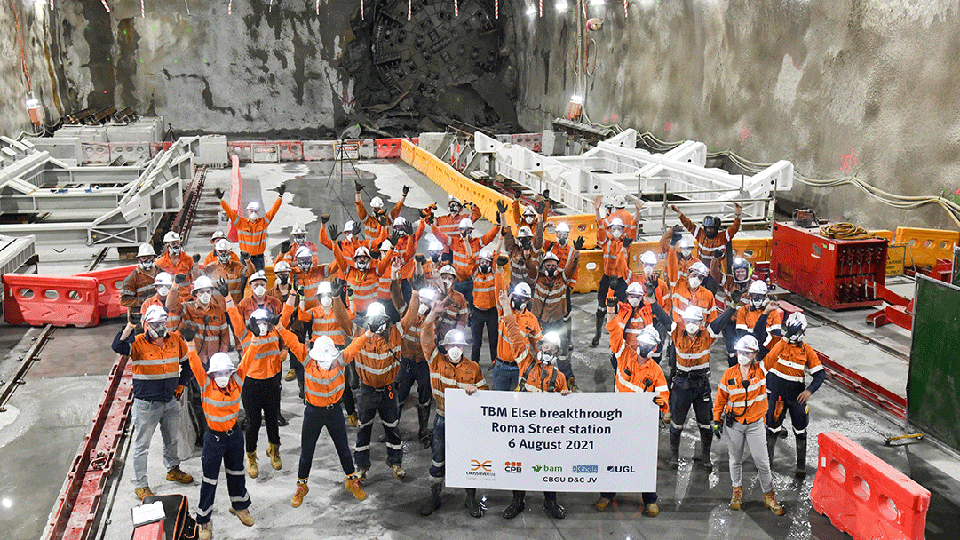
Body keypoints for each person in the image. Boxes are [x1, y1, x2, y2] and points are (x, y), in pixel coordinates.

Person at [111, 306, 194, 500]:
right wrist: (130, 326)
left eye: (162, 323)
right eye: (155, 323)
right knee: (142, 446)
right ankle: (140, 484)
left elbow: (187, 365)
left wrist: (181, 385)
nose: (160, 327)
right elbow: (117, 346)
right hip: (146, 405)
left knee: (172, 439)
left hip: (170, 401)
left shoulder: (175, 340)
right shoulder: (137, 342)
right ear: (147, 324)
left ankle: (173, 469)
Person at [650, 294, 739, 471]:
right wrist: (652, 300)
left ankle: (705, 457)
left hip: (701, 386)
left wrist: (733, 306)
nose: (692, 324)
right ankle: (674, 456)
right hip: (682, 384)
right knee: (676, 424)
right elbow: (662, 317)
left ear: (701, 323)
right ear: (684, 320)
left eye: (696, 321)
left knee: (706, 424)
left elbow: (721, 321)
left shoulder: (708, 335)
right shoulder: (676, 332)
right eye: (689, 320)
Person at [418, 312, 488, 517]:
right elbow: (425, 338)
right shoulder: (435, 361)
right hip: (442, 418)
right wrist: (431, 316)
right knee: (438, 458)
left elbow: (485, 392)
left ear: (464, 348)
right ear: (445, 347)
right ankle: (435, 496)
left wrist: (476, 391)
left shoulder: (473, 368)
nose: (455, 350)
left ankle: (470, 498)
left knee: (467, 458)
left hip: (465, 422)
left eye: (460, 346)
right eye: (451, 346)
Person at [183, 342, 255, 538]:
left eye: (226, 372)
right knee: (209, 479)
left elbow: (247, 361)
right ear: (212, 374)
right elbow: (196, 365)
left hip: (234, 436)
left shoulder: (237, 381)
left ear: (230, 372)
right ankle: (204, 521)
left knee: (237, 473)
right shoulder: (206, 384)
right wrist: (190, 345)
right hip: (214, 439)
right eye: (219, 373)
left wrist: (256, 340)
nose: (223, 376)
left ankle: (240, 507)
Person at [501, 317, 570, 520]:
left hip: (547, 433)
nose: (547, 351)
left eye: (552, 349)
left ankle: (551, 501)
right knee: (519, 464)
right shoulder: (526, 364)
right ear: (538, 348)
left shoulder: (560, 378)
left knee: (550, 465)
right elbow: (515, 337)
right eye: (544, 347)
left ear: (556, 352)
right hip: (523, 429)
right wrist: (506, 309)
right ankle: (517, 500)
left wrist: (565, 399)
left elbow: (567, 413)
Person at [596, 329, 668, 516]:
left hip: (641, 425)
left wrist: (663, 403)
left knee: (645, 461)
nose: (643, 347)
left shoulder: (656, 371)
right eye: (642, 343)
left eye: (648, 345)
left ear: (654, 348)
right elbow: (614, 334)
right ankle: (606, 494)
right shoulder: (625, 356)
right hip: (618, 420)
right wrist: (612, 312)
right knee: (613, 458)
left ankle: (650, 499)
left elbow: (664, 396)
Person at [291, 337, 368, 508]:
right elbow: (292, 343)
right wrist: (280, 327)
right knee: (307, 451)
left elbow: (355, 346)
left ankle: (351, 480)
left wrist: (369, 332)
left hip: (334, 412)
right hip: (313, 412)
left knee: (343, 448)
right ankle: (301, 486)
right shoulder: (308, 360)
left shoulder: (340, 361)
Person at [713, 335, 785, 515]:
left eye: (746, 352)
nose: (741, 355)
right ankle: (737, 492)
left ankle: (769, 496)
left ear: (753, 354)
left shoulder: (761, 369)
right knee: (735, 460)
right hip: (734, 425)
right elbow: (720, 399)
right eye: (739, 351)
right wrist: (716, 419)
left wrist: (786, 338)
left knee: (762, 462)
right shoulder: (729, 374)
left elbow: (775, 353)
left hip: (755, 425)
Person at [223, 296, 289, 478]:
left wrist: (292, 295)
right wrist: (228, 298)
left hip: (272, 382)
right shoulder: (245, 335)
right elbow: (234, 316)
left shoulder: (275, 333)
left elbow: (287, 315)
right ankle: (251, 455)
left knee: (272, 419)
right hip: (252, 384)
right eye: (258, 321)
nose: (262, 325)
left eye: (264, 321)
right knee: (254, 423)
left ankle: (274, 449)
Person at [342, 301, 406, 482]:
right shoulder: (360, 335)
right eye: (373, 319)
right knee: (364, 428)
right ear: (368, 320)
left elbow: (408, 320)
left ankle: (396, 462)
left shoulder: (395, 333)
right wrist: (337, 299)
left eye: (380, 319)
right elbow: (344, 322)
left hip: (388, 391)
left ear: (386, 319)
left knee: (392, 427)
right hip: (367, 391)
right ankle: (361, 467)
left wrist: (415, 295)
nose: (377, 323)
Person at [761, 312, 826, 478]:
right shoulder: (778, 345)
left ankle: (801, 467)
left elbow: (820, 374)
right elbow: (768, 360)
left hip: (797, 398)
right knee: (772, 429)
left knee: (800, 431)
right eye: (790, 330)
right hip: (777, 397)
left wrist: (809, 391)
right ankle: (768, 463)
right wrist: (784, 338)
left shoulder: (807, 351)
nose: (793, 334)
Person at [297, 280, 358, 425]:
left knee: (344, 383)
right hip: (317, 352)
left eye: (329, 295)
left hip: (337, 350)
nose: (326, 298)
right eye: (323, 295)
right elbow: (301, 316)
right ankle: (313, 408)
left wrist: (350, 298)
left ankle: (351, 413)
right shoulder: (314, 311)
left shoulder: (339, 310)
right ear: (318, 298)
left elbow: (352, 315)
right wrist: (301, 299)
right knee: (315, 381)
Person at [392, 283, 437, 448]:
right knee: (399, 394)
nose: (424, 303)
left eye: (427, 300)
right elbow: (397, 299)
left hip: (424, 363)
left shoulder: (434, 318)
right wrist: (395, 279)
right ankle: (393, 429)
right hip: (406, 361)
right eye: (421, 299)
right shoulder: (407, 313)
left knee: (425, 395)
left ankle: (423, 430)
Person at [529, 249, 580, 389]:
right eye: (548, 265)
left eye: (553, 265)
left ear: (557, 266)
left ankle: (568, 379)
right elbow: (529, 268)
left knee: (562, 353)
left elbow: (571, 268)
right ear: (543, 266)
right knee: (541, 351)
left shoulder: (562, 278)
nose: (550, 268)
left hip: (557, 322)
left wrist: (575, 254)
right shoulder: (538, 278)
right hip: (543, 322)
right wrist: (527, 255)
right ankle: (539, 380)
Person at [670, 202, 742, 292]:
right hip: (700, 267)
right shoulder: (700, 234)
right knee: (694, 288)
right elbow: (688, 224)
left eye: (711, 228)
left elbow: (735, 228)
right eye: (707, 228)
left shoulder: (723, 236)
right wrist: (678, 211)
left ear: (716, 228)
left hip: (714, 271)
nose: (709, 230)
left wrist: (738, 214)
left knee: (711, 291)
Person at [430, 216, 500, 306]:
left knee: (473, 305)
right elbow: (441, 236)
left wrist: (497, 226)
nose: (465, 232)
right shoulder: (454, 242)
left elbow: (489, 236)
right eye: (462, 229)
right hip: (458, 282)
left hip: (473, 282)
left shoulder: (477, 243)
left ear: (471, 230)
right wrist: (433, 225)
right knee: (456, 304)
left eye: (467, 229)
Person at [215, 185, 285, 271]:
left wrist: (280, 197)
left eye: (255, 211)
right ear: (247, 211)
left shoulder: (263, 222)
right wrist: (221, 200)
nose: (253, 213)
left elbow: (273, 210)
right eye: (251, 211)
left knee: (259, 281)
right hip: (245, 259)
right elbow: (229, 212)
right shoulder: (240, 223)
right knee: (245, 281)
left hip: (259, 259)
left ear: (258, 211)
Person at [591, 196, 630, 347]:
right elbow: (600, 228)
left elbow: (633, 228)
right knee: (601, 308)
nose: (616, 231)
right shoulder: (606, 243)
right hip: (607, 279)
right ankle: (598, 335)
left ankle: (619, 338)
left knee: (622, 310)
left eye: (619, 228)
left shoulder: (625, 244)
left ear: (622, 230)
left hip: (620, 281)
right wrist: (596, 211)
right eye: (613, 228)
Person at [492, 279, 542, 391]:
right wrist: (500, 269)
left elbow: (538, 344)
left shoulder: (532, 320)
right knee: (500, 400)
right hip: (501, 366)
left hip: (521, 367)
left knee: (522, 399)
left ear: (528, 300)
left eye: (522, 298)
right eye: (515, 296)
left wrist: (544, 363)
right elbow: (499, 289)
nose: (517, 300)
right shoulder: (504, 310)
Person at [736, 280, 782, 360]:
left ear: (765, 296)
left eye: (760, 296)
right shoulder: (743, 311)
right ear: (750, 296)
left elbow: (776, 336)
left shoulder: (773, 312)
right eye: (754, 296)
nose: (757, 299)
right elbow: (741, 334)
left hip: (767, 352)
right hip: (748, 351)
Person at [469, 248, 499, 365]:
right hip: (477, 312)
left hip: (492, 312)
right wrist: (466, 239)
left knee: (493, 340)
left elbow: (496, 258)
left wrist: (501, 238)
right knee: (476, 342)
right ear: (479, 263)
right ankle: (474, 364)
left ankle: (495, 363)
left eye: (487, 262)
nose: (484, 264)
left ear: (490, 263)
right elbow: (470, 260)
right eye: (482, 262)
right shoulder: (475, 274)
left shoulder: (494, 274)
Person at [203, 239, 250, 305]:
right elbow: (197, 277)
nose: (223, 254)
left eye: (225, 251)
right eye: (221, 251)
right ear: (217, 252)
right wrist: (195, 264)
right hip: (217, 308)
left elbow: (251, 273)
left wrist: (247, 261)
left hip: (234, 307)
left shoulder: (236, 266)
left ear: (229, 251)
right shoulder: (211, 267)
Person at [156, 231, 198, 303]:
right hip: (168, 299)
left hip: (186, 299)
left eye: (177, 243)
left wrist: (196, 264)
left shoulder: (188, 260)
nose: (176, 245)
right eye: (173, 244)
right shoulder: (159, 263)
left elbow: (196, 278)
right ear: (167, 245)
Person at [671, 261, 717, 326]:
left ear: (702, 280)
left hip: (699, 332)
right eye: (694, 275)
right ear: (689, 274)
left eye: (700, 277)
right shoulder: (678, 287)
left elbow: (712, 318)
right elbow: (672, 267)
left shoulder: (708, 295)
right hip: (680, 331)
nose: (696, 278)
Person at [121, 243, 159, 319]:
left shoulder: (160, 272)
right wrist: (144, 301)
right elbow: (124, 300)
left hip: (158, 311)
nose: (147, 260)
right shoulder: (133, 277)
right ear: (139, 260)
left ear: (154, 258)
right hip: (140, 314)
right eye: (144, 258)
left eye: (150, 257)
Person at [433, 265, 469, 338]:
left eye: (450, 278)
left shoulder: (459, 297)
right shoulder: (432, 294)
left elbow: (463, 318)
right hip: (433, 333)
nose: (446, 280)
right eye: (443, 277)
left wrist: (458, 330)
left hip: (450, 335)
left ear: (453, 280)